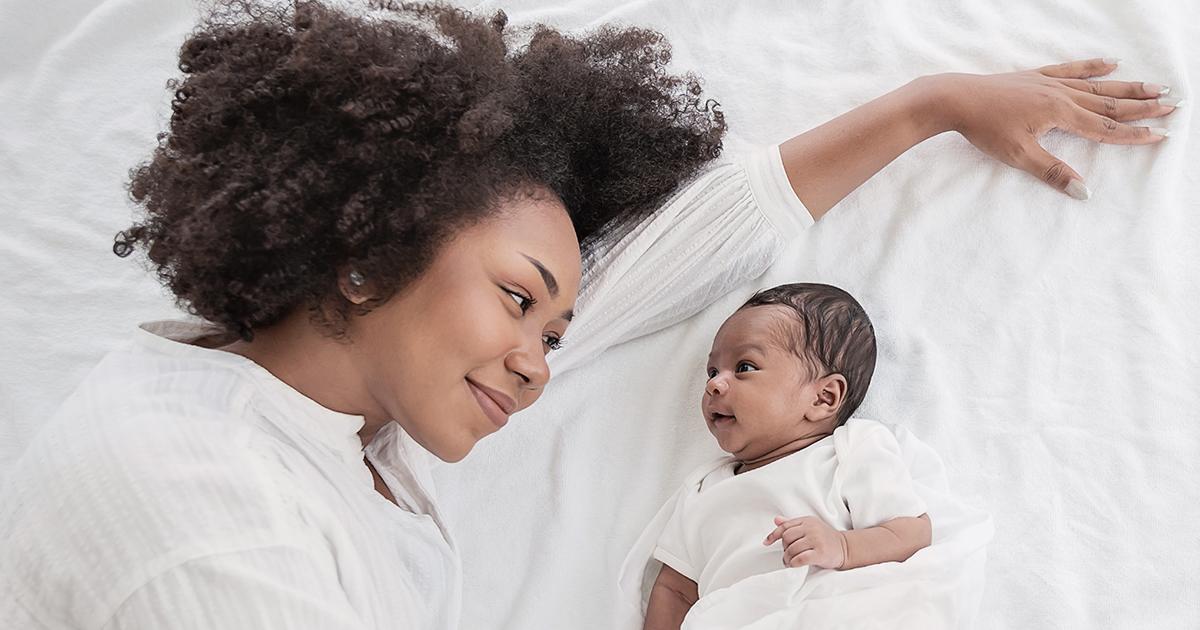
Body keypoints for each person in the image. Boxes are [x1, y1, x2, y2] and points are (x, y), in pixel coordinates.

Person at [0, 1, 1179, 628]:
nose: (537, 364)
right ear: (365, 254)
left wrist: (930, 102)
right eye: (520, 303)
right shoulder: (207, 517)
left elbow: (673, 257)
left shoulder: (336, 405)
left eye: (551, 333)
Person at [642, 283, 931, 629]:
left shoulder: (851, 451)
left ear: (823, 397)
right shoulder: (703, 491)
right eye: (713, 372)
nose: (714, 385)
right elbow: (675, 590)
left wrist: (842, 547)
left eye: (745, 367)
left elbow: (911, 532)